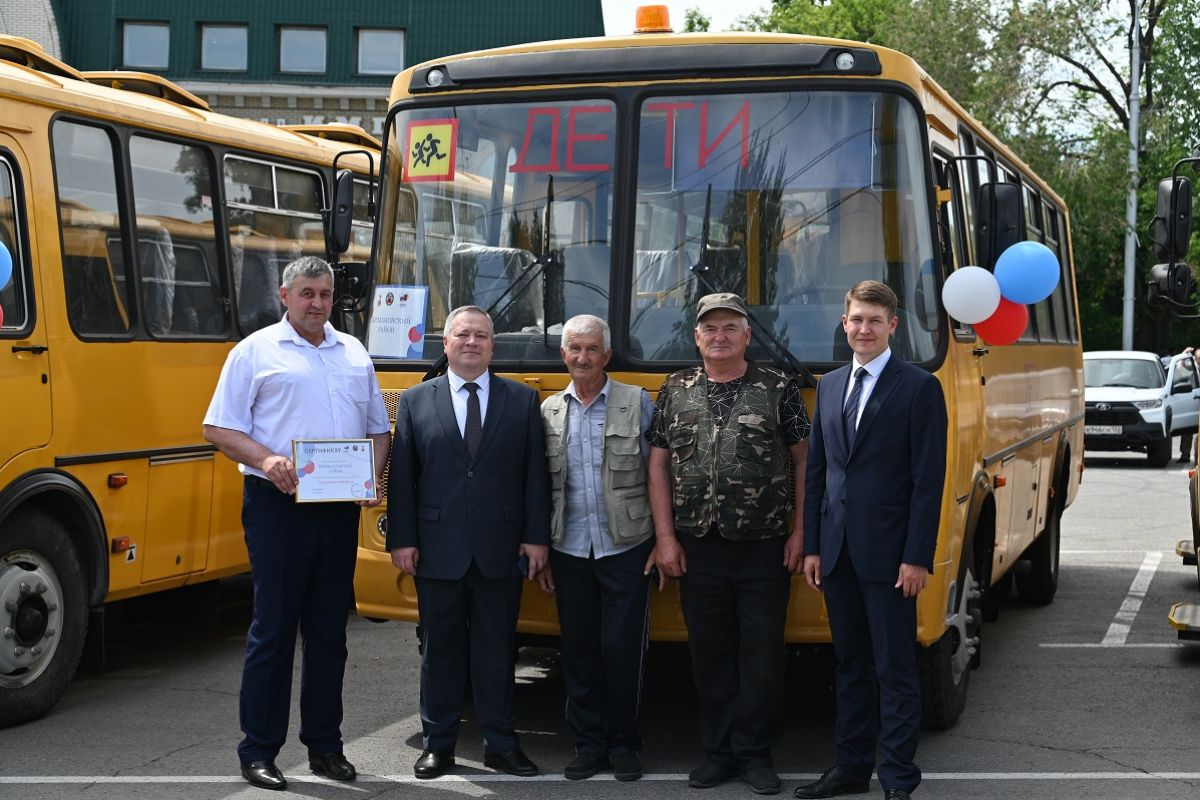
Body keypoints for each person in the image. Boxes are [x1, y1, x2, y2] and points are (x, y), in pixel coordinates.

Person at [203, 256, 390, 791]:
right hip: (277, 505)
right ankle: (259, 750)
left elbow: (378, 430)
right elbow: (218, 428)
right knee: (275, 629)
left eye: (325, 294)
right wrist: (265, 459)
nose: (317, 303)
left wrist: (370, 479)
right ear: (284, 296)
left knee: (330, 632)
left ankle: (325, 747)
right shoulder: (254, 351)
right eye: (307, 293)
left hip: (338, 509)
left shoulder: (352, 351)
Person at [647, 293, 810, 796]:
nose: (720, 336)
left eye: (730, 328)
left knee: (762, 657)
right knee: (710, 656)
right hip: (697, 546)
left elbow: (805, 460)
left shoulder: (778, 387)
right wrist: (665, 538)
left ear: (747, 336)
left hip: (764, 545)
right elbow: (658, 464)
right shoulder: (675, 389)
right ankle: (718, 754)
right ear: (696, 337)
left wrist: (802, 531)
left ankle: (755, 755)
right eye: (710, 329)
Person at [795, 281, 947, 800]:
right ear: (844, 324)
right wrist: (814, 546)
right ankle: (852, 767)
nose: (864, 329)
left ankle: (899, 778)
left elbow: (928, 482)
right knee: (850, 667)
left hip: (891, 558)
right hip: (837, 553)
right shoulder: (830, 384)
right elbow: (819, 473)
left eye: (874, 321)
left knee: (895, 670)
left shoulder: (919, 387)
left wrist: (916, 557)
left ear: (892, 326)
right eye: (856, 319)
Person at [388, 305, 551, 780]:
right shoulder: (415, 400)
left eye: (481, 335)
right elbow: (403, 478)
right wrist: (402, 539)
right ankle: (438, 746)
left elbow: (535, 476)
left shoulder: (522, 400)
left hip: (502, 549)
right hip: (436, 548)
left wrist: (536, 538)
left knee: (496, 652)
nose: (471, 343)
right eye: (462, 335)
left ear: (492, 346)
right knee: (439, 652)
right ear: (447, 344)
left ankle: (501, 745)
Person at [537, 314, 656, 782]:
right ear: (563, 354)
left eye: (592, 349)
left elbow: (659, 474)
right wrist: (543, 547)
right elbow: (540, 487)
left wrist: (663, 541)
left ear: (607, 355)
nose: (582, 357)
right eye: (575, 349)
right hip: (568, 549)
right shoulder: (548, 410)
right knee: (578, 651)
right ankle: (588, 745)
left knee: (621, 651)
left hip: (627, 547)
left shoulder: (638, 402)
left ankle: (625, 745)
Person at [1178, 346, 1198, 463]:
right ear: (1195, 358)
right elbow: (1180, 364)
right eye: (1198, 358)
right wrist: (1184, 352)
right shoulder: (1192, 367)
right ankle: (1185, 455)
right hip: (1193, 403)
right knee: (1187, 430)